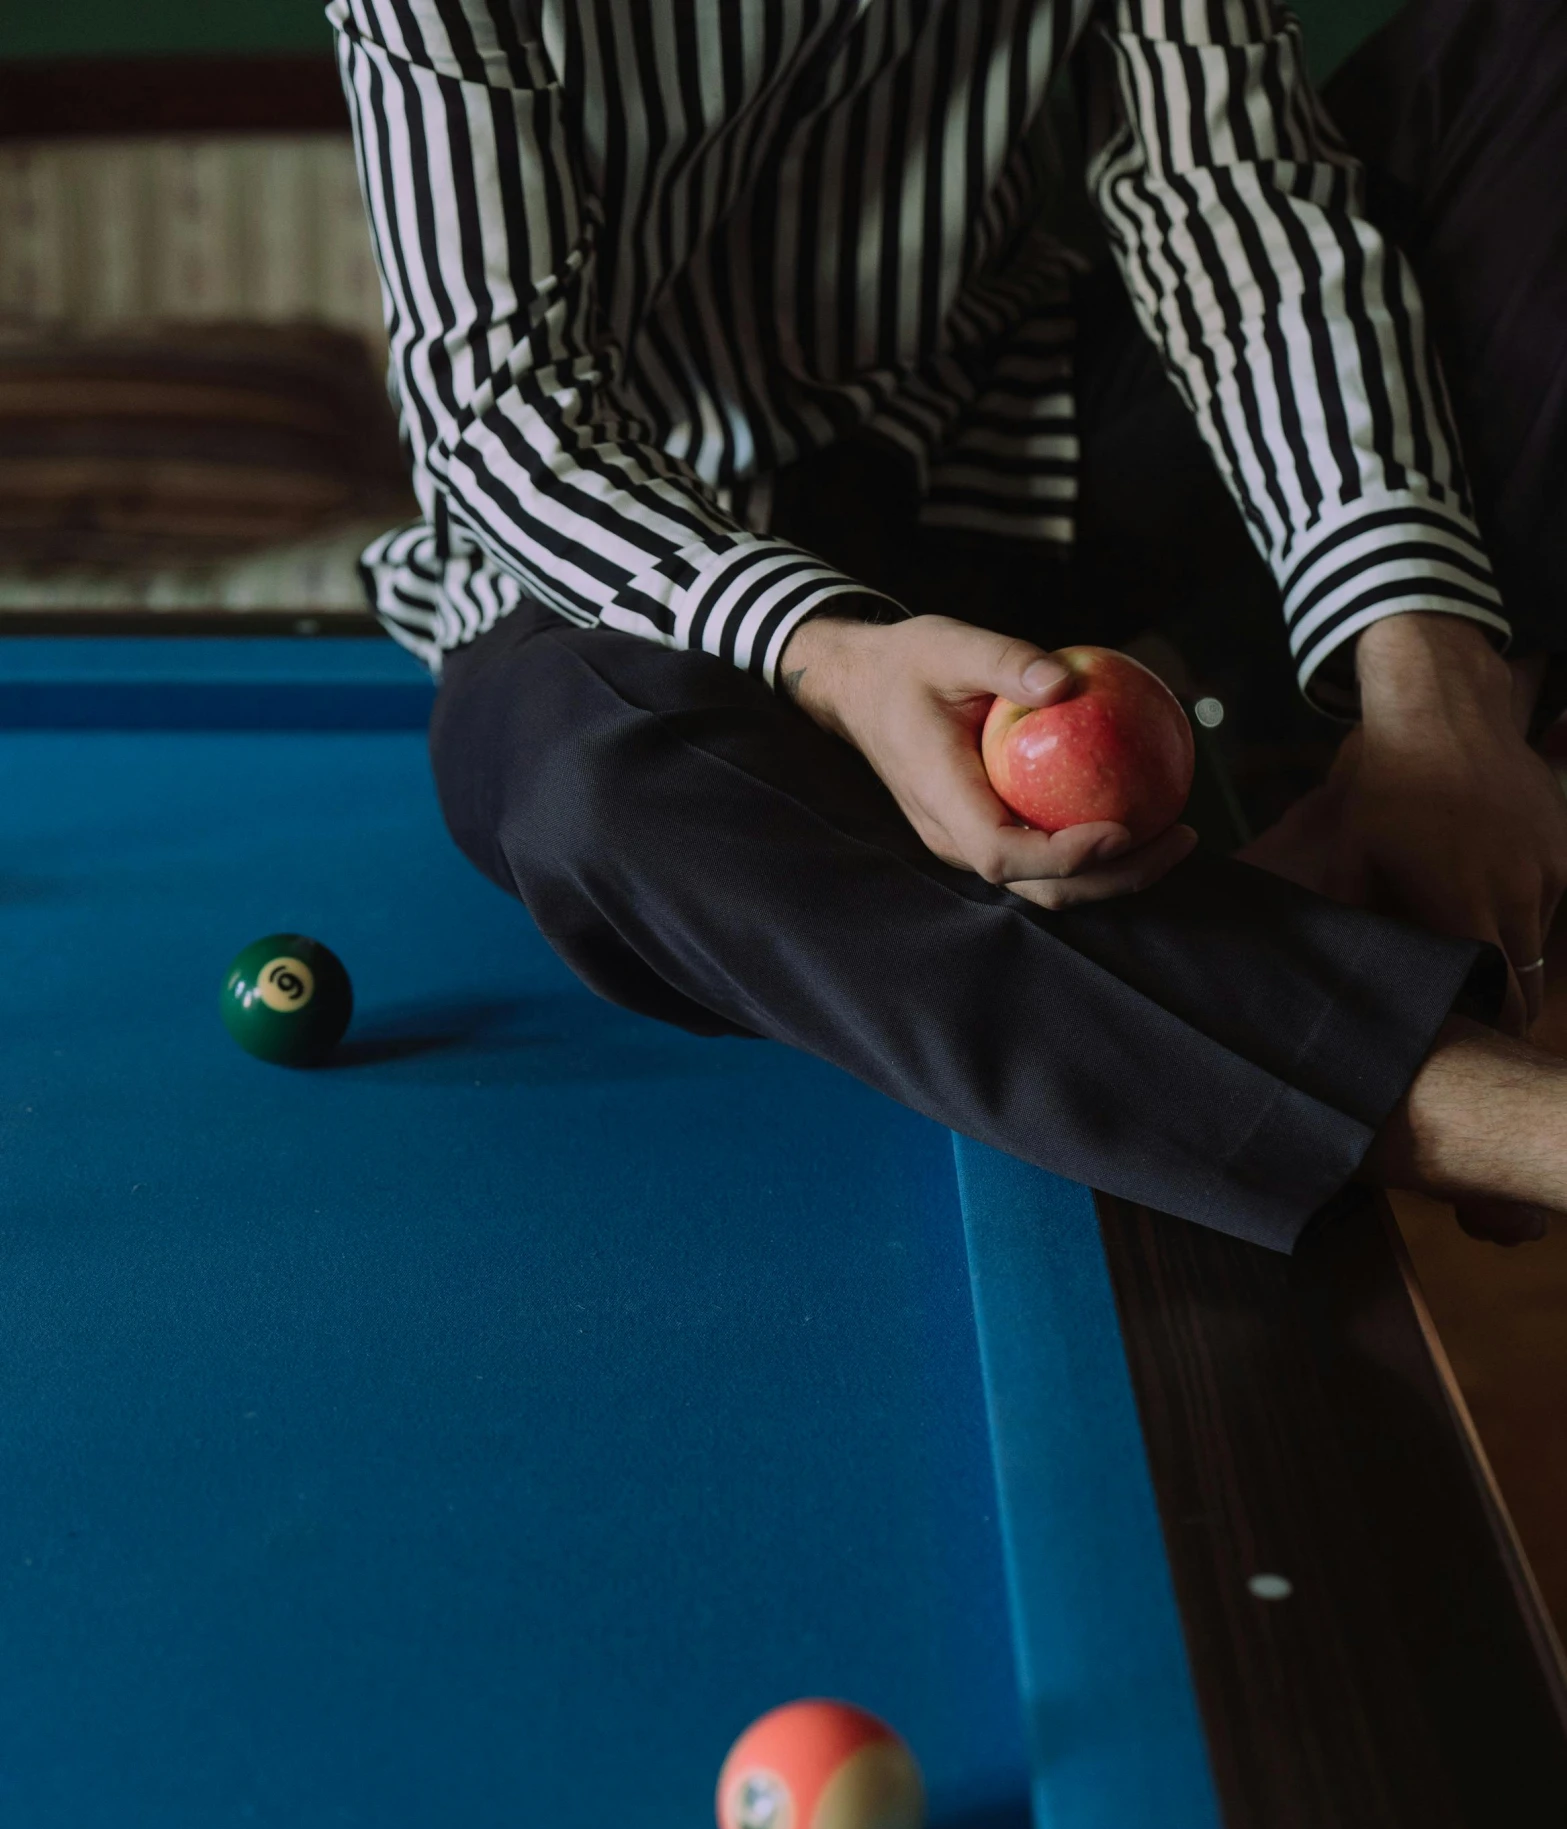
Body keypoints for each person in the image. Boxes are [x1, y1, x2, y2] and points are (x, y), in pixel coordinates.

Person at [329, 0, 1567, 1252]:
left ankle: (1453, 794)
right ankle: (1504, 1116)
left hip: (1014, 455)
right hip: (650, 567)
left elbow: (1231, 201)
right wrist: (820, 648)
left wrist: (1433, 684)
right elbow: (500, 404)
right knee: (592, 786)